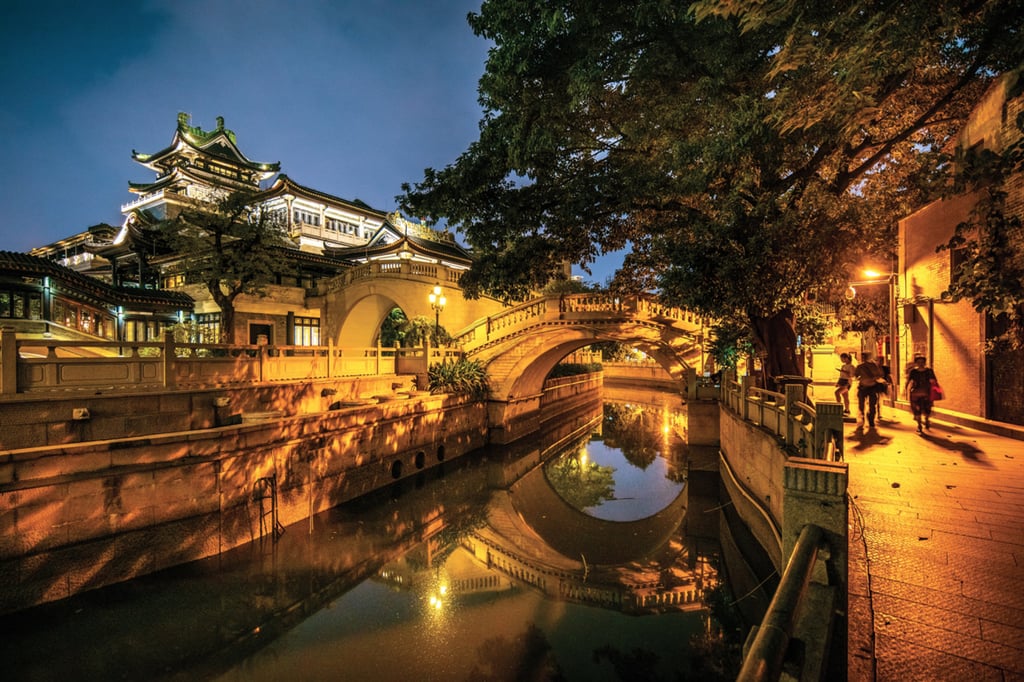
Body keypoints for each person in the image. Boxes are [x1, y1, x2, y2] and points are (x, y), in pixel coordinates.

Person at [906, 355, 938, 434]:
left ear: (924, 362)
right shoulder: (914, 371)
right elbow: (909, 380)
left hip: (925, 392)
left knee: (926, 408)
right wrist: (906, 389)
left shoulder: (928, 371)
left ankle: (926, 420)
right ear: (916, 363)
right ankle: (920, 425)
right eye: (919, 362)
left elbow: (934, 380)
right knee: (918, 409)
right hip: (918, 392)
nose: (920, 364)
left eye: (922, 362)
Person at [853, 351, 883, 428]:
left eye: (864, 356)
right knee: (865, 405)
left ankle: (869, 419)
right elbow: (879, 375)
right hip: (866, 387)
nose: (863, 358)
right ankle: (866, 418)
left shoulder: (871, 366)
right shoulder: (864, 366)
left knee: (869, 405)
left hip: (868, 387)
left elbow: (856, 376)